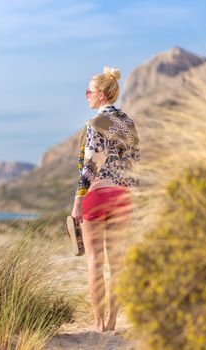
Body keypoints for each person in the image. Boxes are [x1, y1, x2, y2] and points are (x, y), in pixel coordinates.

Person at [71, 66, 140, 333]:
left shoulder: (95, 124)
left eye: (89, 92)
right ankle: (113, 322)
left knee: (94, 262)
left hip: (97, 195)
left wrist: (78, 201)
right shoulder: (128, 124)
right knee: (118, 263)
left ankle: (99, 324)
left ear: (100, 95)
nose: (86, 96)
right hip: (122, 196)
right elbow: (135, 166)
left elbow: (91, 164)